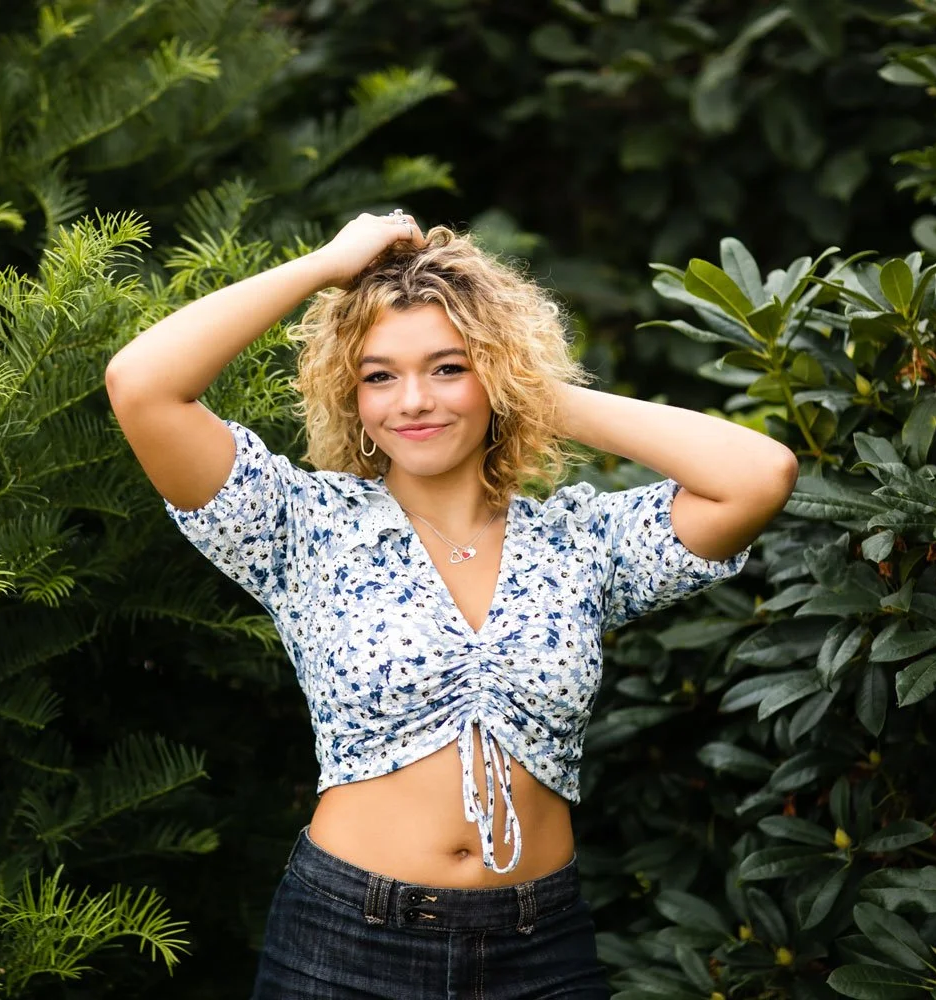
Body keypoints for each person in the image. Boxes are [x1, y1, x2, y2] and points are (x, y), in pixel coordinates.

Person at [104, 211, 797, 998]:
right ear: (351, 395)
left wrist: (531, 393)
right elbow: (142, 384)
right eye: (379, 375)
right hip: (345, 942)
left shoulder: (578, 541)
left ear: (496, 375)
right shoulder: (301, 527)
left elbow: (760, 474)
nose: (412, 401)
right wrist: (324, 266)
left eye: (448, 367)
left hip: (542, 947)